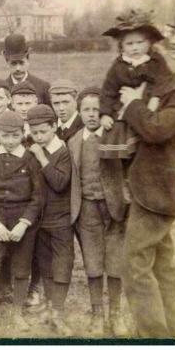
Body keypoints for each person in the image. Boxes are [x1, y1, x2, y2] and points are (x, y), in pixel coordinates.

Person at [119, 5, 175, 338]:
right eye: (173, 33)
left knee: (135, 266)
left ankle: (155, 339)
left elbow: (156, 130)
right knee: (162, 265)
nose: (173, 40)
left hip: (160, 189)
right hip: (155, 186)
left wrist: (132, 104)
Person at [0, 110, 46, 335]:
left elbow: (38, 196)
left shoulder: (30, 159)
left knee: (21, 268)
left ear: (22, 134)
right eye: (5, 136)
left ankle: (17, 312)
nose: (9, 141)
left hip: (21, 223)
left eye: (15, 136)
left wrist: (23, 223)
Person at [68, 87, 129, 337]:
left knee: (115, 262)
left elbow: (130, 169)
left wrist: (126, 198)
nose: (92, 114)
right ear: (79, 112)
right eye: (86, 110)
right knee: (92, 263)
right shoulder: (73, 142)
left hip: (114, 208)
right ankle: (96, 314)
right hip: (87, 210)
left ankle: (116, 314)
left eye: (96, 109)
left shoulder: (116, 136)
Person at [99, 9, 174, 163]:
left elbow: (165, 80)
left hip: (152, 106)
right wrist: (105, 113)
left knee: (150, 140)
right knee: (124, 140)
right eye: (129, 44)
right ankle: (127, 164)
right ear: (122, 46)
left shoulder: (156, 60)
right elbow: (108, 90)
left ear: (149, 43)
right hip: (124, 109)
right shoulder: (118, 65)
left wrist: (155, 98)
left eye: (140, 42)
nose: (135, 47)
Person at [26, 105, 74, 336]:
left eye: (43, 132)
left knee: (63, 263)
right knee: (45, 264)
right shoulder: (33, 150)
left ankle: (58, 310)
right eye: (34, 133)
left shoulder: (62, 151)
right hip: (40, 220)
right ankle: (47, 307)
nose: (38, 137)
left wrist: (40, 156)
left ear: (54, 127)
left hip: (61, 219)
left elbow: (59, 183)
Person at [2, 33, 51, 105]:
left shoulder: (43, 87)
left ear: (28, 60)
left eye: (21, 63)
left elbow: (51, 115)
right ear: (7, 62)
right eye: (13, 63)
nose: (18, 68)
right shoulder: (1, 89)